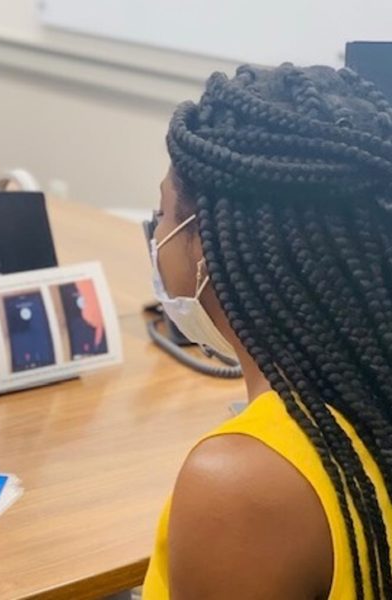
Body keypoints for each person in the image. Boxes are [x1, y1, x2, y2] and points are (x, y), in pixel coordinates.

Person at [142, 64, 392, 600]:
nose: (155, 233)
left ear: (205, 247)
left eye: (162, 213)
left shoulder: (240, 484)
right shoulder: (369, 399)